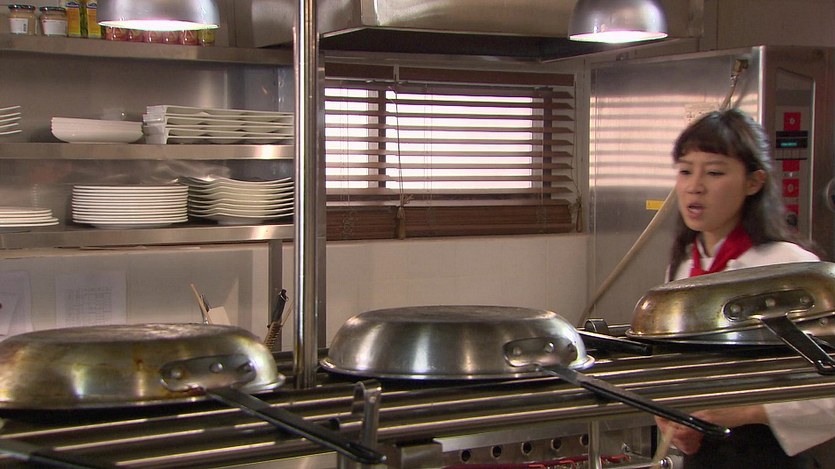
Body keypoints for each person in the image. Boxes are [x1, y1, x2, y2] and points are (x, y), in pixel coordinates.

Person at [654, 108, 835, 468]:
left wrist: (749, 411)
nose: (695, 186)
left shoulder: (791, 267)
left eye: (715, 172)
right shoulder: (684, 267)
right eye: (686, 171)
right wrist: (677, 423)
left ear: (754, 182)